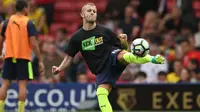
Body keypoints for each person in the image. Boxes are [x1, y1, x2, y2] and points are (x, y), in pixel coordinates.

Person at [52, 3, 165, 112]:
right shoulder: (76, 38)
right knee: (101, 93)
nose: (92, 13)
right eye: (89, 10)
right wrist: (59, 68)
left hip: (112, 57)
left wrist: (124, 41)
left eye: (94, 11)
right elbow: (68, 57)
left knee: (122, 55)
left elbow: (124, 48)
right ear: (82, 14)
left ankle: (152, 59)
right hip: (102, 70)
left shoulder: (104, 31)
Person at [0, 0, 44, 112]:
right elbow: (34, 43)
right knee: (22, 87)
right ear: (25, 8)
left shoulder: (6, 22)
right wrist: (40, 60)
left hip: (9, 57)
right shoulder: (29, 23)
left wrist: (1, 54)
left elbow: (0, 41)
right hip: (23, 58)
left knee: (5, 85)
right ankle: (20, 110)